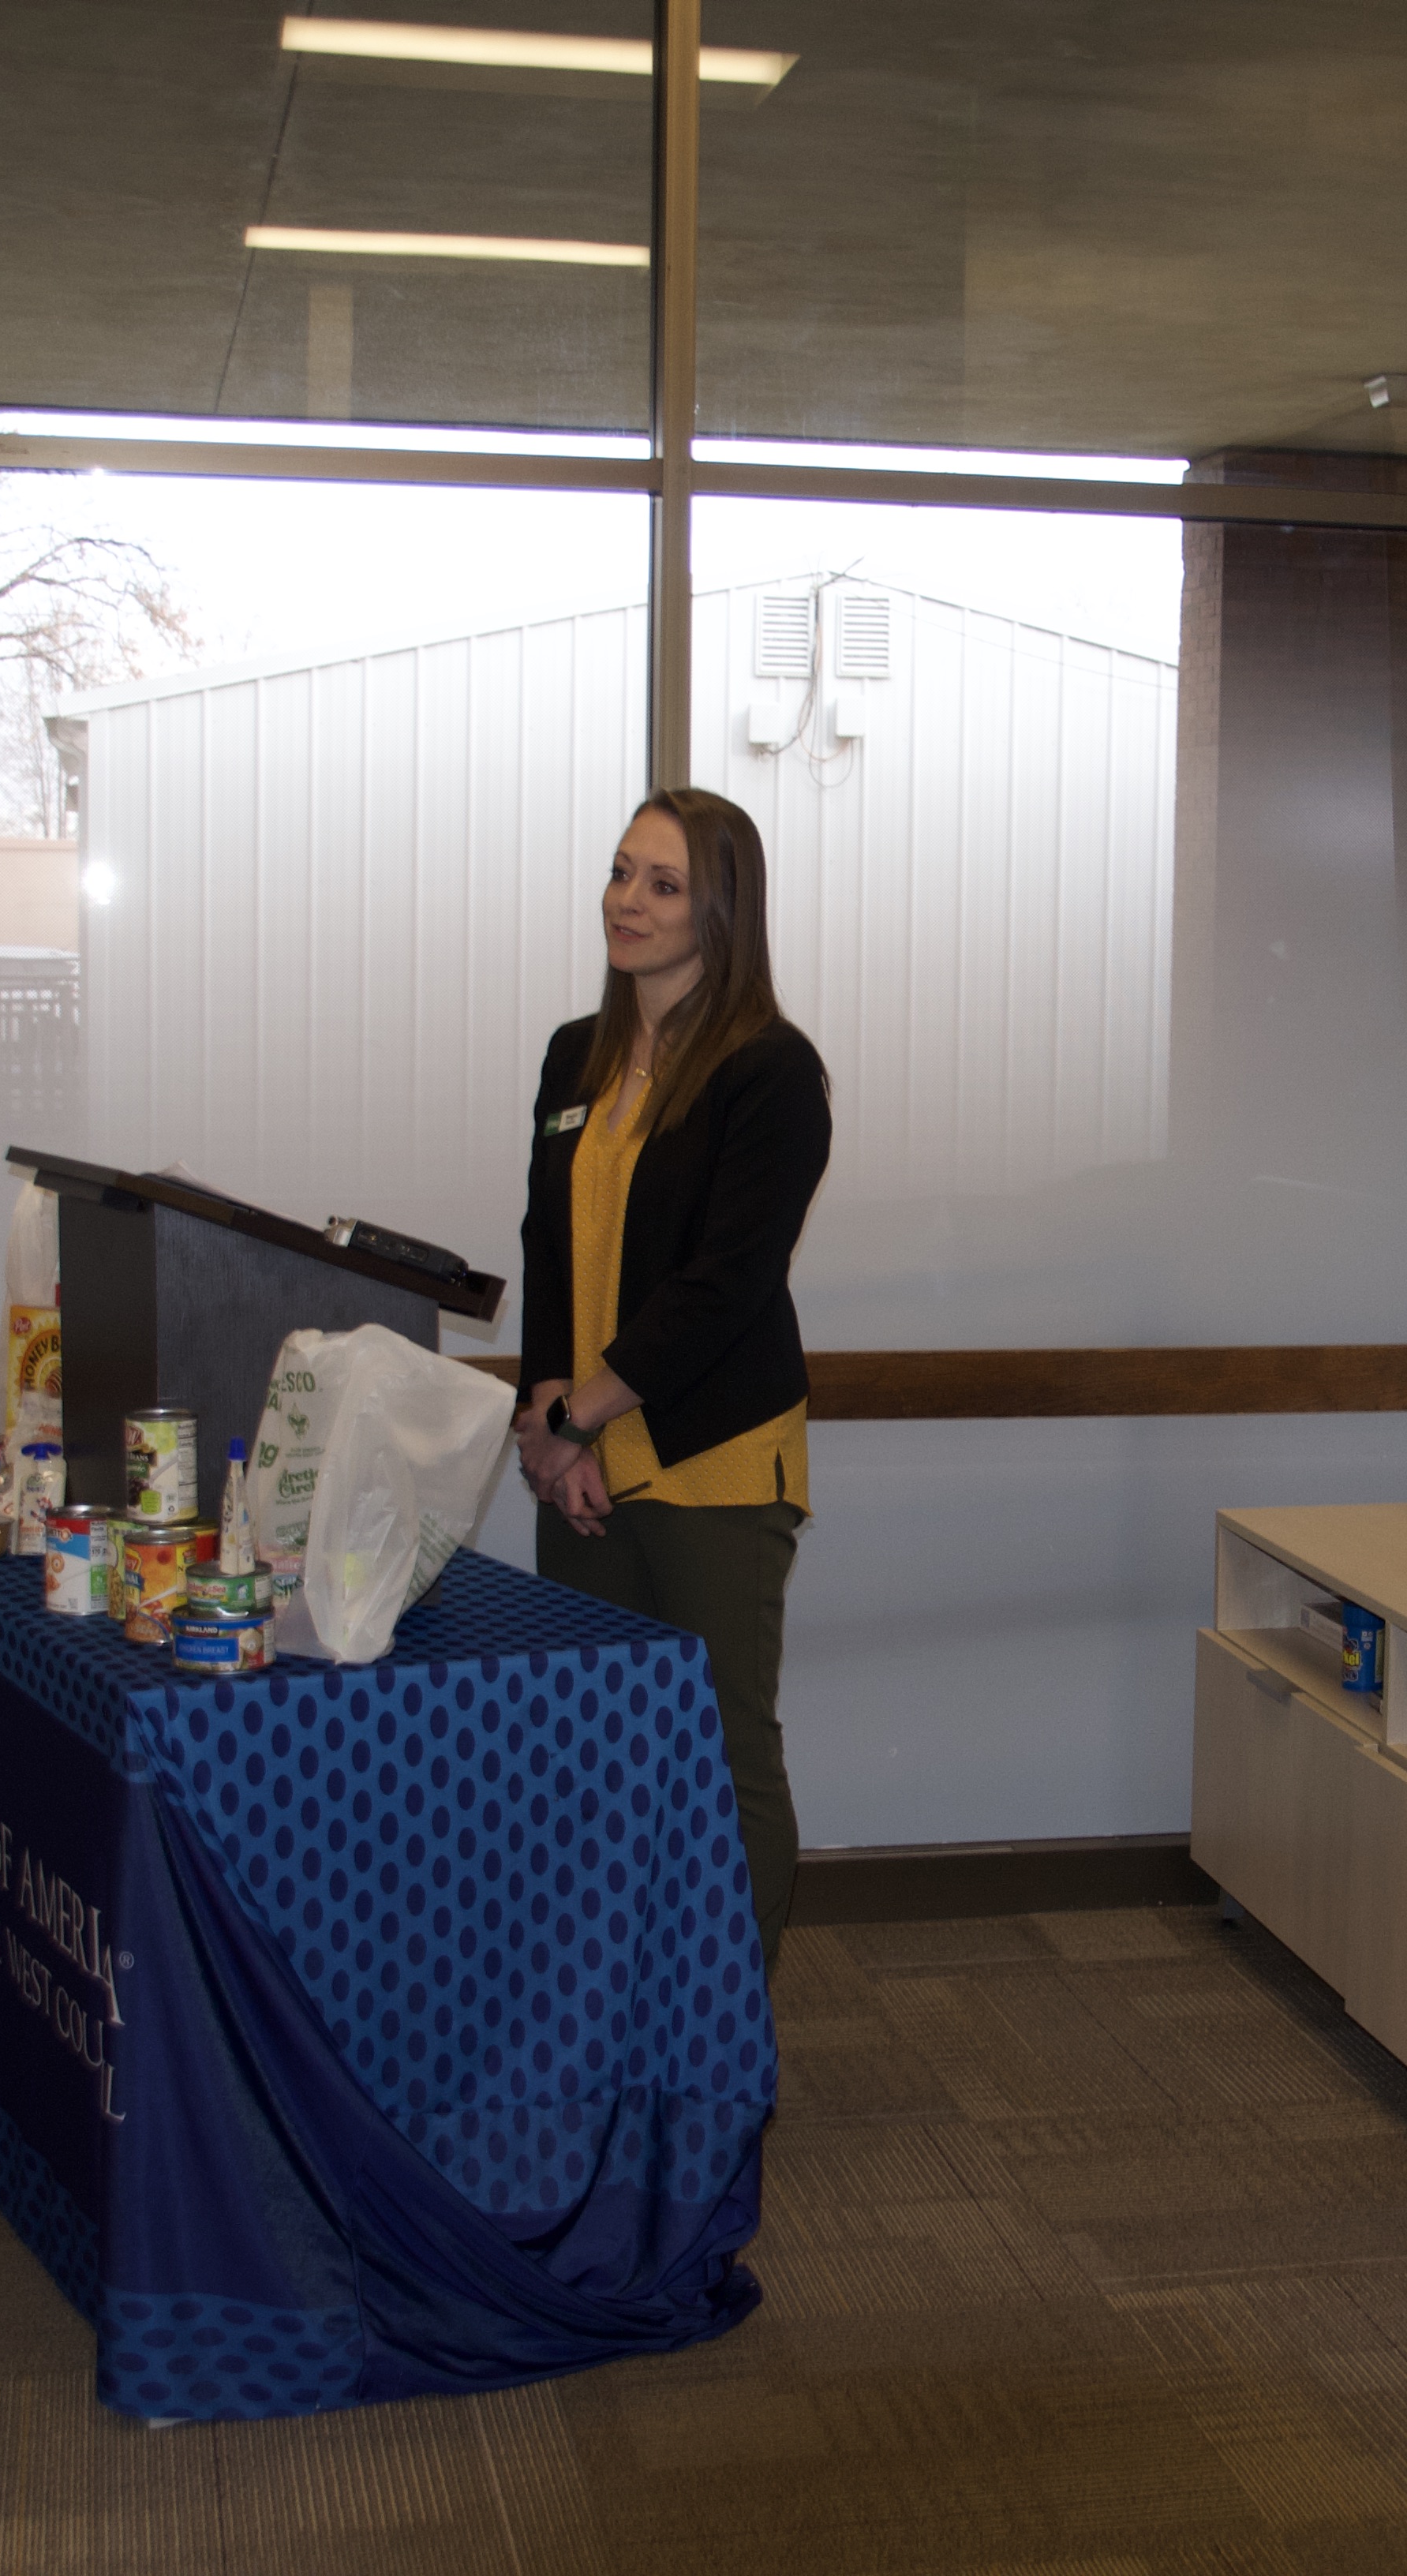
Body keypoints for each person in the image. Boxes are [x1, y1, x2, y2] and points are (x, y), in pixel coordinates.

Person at [515, 786, 832, 1972]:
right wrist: (551, 1427)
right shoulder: (574, 1055)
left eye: (662, 883)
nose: (627, 901)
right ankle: (620, 2003)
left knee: (720, 1753)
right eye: (619, 872)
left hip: (712, 1462)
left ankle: (727, 2026)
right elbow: (546, 1248)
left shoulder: (770, 1072)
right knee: (594, 1747)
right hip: (581, 1457)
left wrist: (573, 1417)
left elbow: (724, 1284)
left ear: (721, 909)